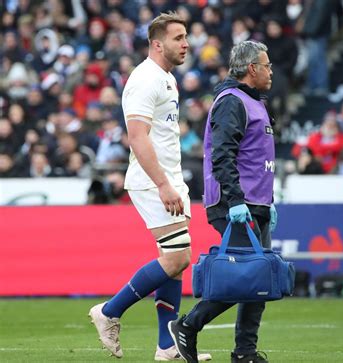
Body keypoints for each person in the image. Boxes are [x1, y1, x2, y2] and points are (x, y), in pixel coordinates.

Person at [88, 12, 211, 361]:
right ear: (157, 44)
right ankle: (109, 311)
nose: (186, 43)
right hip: (152, 181)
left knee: (173, 260)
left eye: (186, 36)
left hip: (167, 179)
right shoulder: (145, 79)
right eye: (178, 38)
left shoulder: (166, 79)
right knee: (177, 256)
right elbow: (137, 137)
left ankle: (166, 345)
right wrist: (162, 184)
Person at [168, 40, 277, 363]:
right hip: (235, 204)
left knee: (260, 279)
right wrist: (235, 201)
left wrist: (267, 201)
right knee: (246, 276)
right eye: (267, 65)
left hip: (255, 203)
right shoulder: (232, 102)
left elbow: (254, 158)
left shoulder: (253, 102)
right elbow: (222, 155)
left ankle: (245, 351)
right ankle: (188, 325)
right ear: (252, 69)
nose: (271, 71)